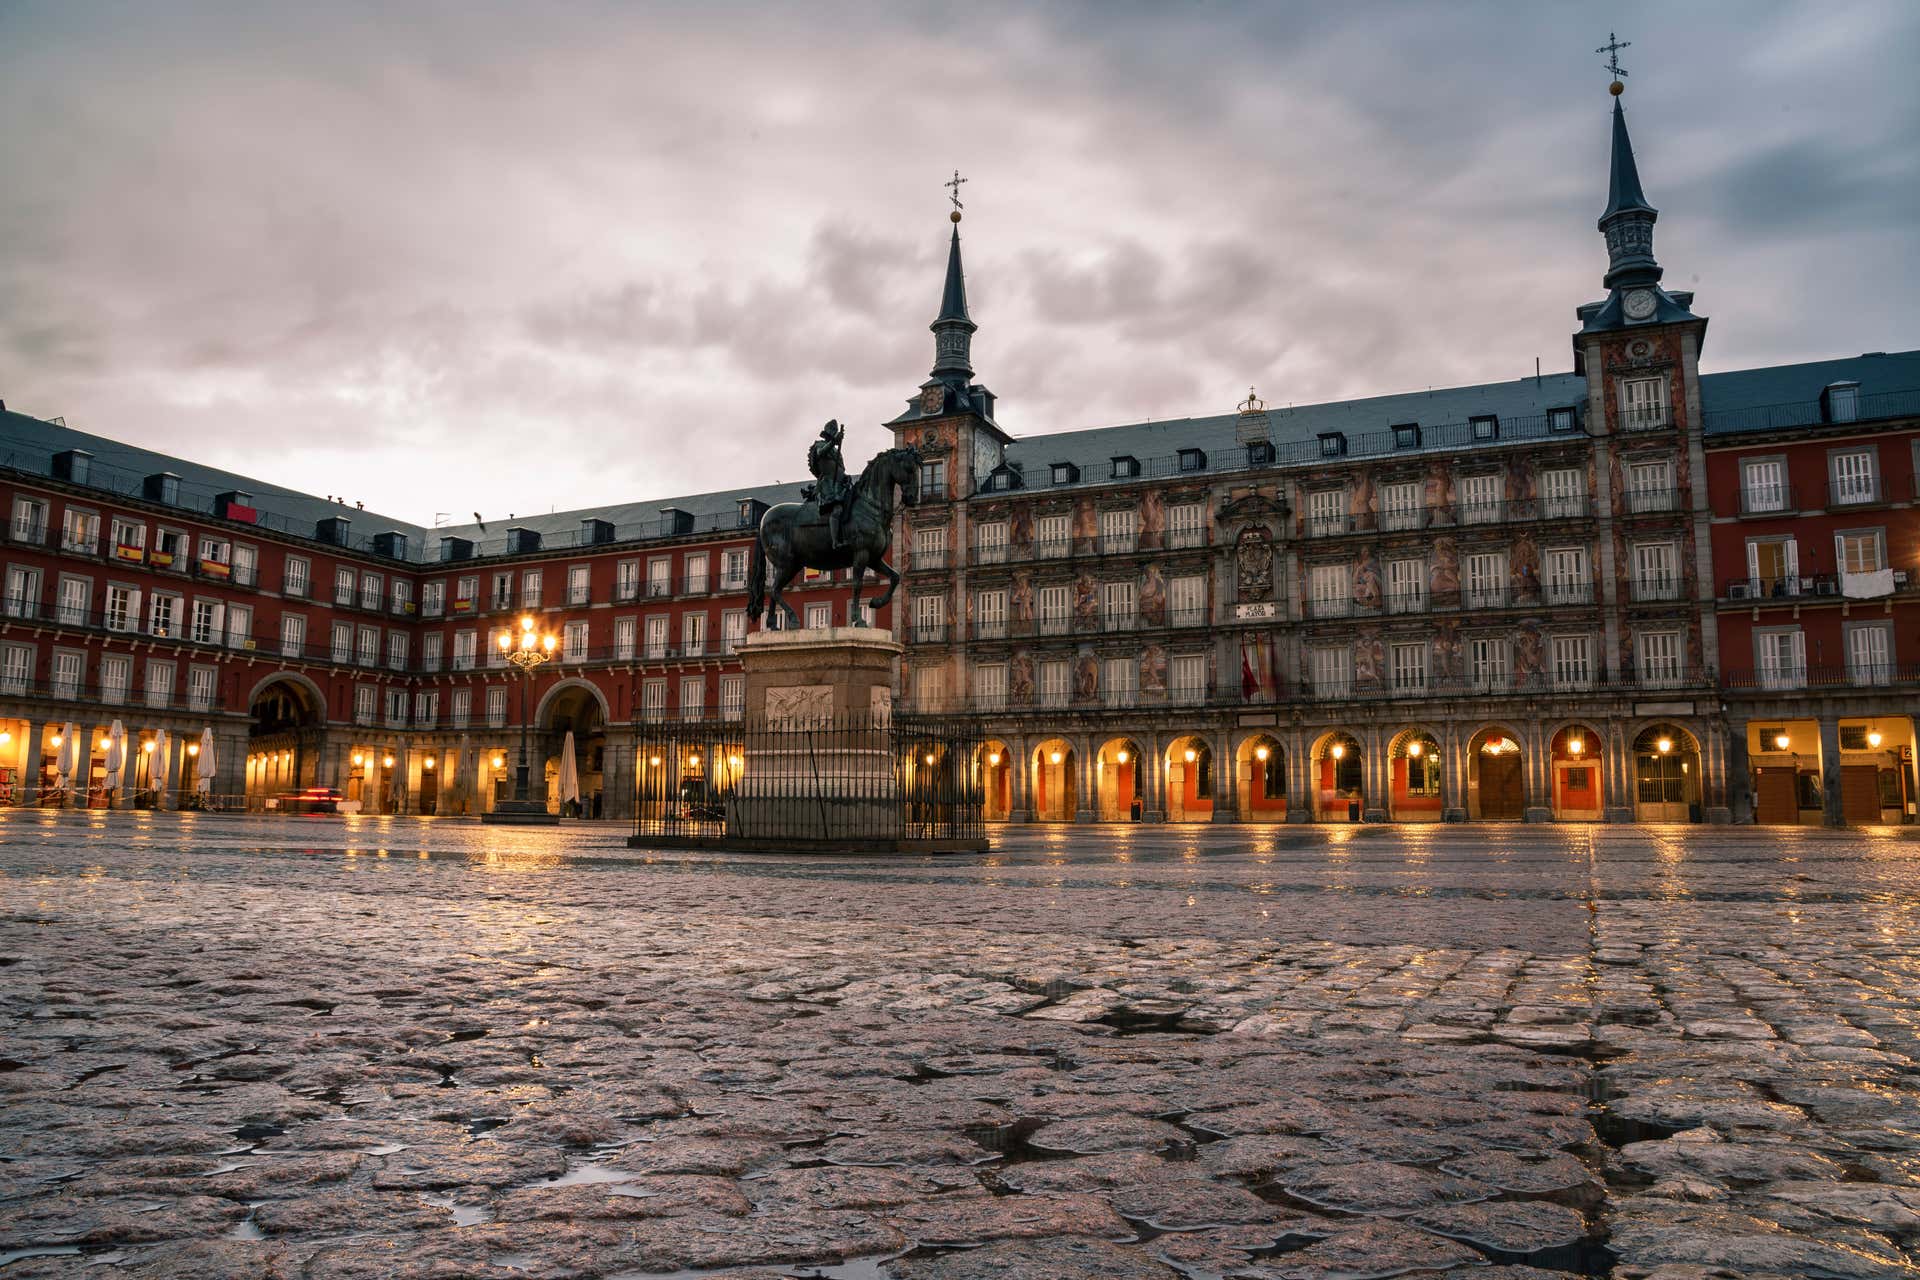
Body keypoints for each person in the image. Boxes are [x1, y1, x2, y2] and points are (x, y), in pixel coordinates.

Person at [807, 420, 853, 548]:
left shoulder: (837, 451)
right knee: (837, 510)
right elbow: (821, 453)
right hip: (827, 485)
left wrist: (845, 477)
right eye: (834, 435)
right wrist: (834, 441)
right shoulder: (820, 444)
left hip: (839, 485)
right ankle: (835, 542)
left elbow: (840, 469)